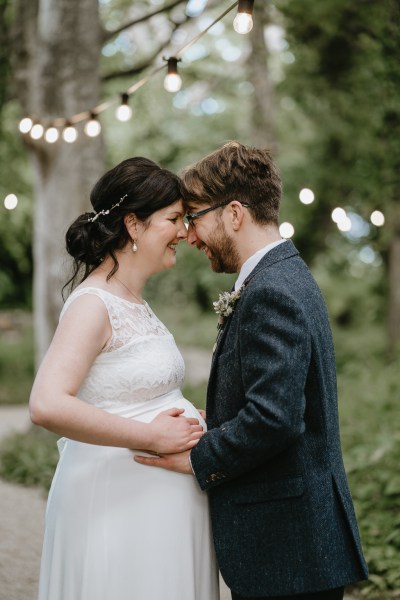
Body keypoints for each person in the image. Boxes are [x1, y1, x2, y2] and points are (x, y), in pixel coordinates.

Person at [135, 142, 369, 600]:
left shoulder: (269, 292)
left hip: (289, 550)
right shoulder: (286, 274)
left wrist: (200, 457)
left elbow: (274, 417)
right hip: (300, 545)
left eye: (196, 215)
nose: (191, 235)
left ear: (234, 213)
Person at [29, 157, 219, 600]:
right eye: (173, 219)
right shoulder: (92, 304)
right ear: (133, 225)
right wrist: (152, 434)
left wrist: (192, 417)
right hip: (116, 507)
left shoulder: (133, 299)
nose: (185, 233)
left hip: (156, 510)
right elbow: (47, 404)